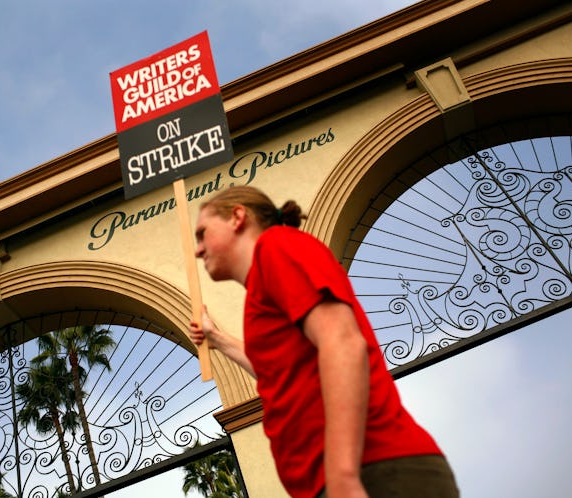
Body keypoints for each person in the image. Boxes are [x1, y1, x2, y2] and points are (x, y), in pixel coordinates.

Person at [189, 186, 459, 498]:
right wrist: (218, 340)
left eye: (202, 233)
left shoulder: (276, 247)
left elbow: (343, 342)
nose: (197, 250)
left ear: (237, 217)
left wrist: (343, 474)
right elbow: (279, 374)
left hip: (374, 470)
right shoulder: (264, 280)